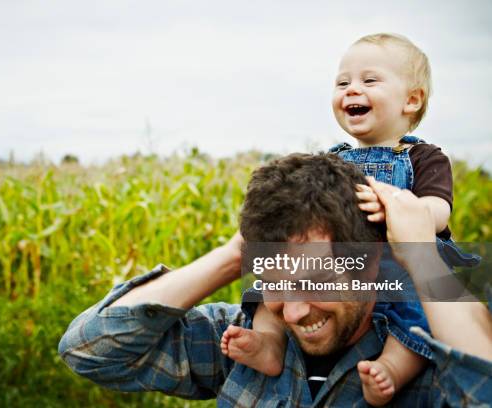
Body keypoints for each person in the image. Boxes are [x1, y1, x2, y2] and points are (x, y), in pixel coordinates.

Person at [58, 153, 492, 407]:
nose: (295, 311)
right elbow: (90, 350)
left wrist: (422, 257)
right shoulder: (241, 344)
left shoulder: (422, 361)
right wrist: (231, 258)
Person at [226, 33, 479, 406]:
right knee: (269, 288)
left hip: (401, 266)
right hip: (339, 267)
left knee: (418, 316)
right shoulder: (333, 158)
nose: (351, 90)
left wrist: (404, 208)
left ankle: (391, 369)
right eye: (342, 82)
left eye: (369, 80)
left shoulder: (423, 157)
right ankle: (269, 344)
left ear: (412, 99)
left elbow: (439, 209)